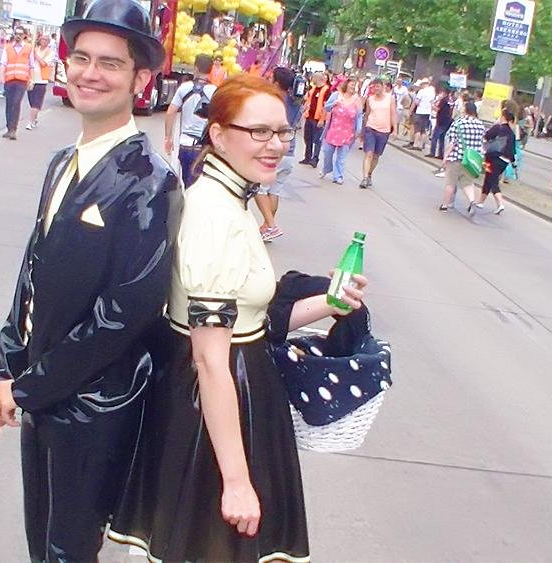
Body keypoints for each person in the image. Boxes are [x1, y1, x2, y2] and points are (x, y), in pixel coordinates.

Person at [107, 73, 368, 563]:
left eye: (283, 132)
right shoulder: (214, 215)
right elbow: (210, 359)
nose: (276, 145)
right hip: (212, 409)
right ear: (219, 134)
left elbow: (251, 323)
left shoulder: (232, 200)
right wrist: (237, 480)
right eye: (259, 131)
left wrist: (330, 303)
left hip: (234, 394)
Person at [0, 0, 179, 559]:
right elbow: (32, 274)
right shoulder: (62, 161)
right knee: (41, 545)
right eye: (81, 58)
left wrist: (25, 389)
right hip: (43, 391)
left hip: (94, 404)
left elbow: (125, 313)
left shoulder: (149, 180)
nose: (90, 73)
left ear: (140, 79)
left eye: (110, 63)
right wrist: (6, 367)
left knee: (67, 552)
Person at [255, 66, 302, 242]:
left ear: (276, 83)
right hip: (289, 151)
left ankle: (271, 225)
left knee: (258, 188)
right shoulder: (296, 102)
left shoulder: (274, 102)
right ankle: (267, 227)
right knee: (274, 191)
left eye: (271, 79)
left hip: (275, 151)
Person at [164, 54, 217, 187]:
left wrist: (168, 138)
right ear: (211, 70)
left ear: (196, 68)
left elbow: (170, 112)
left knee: (187, 184)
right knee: (198, 187)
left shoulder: (184, 88)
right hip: (203, 148)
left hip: (185, 145)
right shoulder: (215, 92)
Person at [439, 101, 486, 212]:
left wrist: (445, 157)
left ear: (465, 110)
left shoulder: (459, 123)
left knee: (450, 183)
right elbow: (483, 142)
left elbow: (452, 142)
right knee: (468, 183)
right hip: (471, 160)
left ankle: (445, 205)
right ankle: (472, 201)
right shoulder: (480, 125)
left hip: (457, 157)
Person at [470, 108, 517, 216]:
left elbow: (486, 136)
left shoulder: (498, 128)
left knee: (492, 180)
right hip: (504, 161)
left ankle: (500, 204)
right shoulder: (511, 133)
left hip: (493, 158)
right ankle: (480, 202)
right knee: (489, 178)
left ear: (503, 117)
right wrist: (513, 162)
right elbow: (513, 150)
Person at [318, 77, 362, 185]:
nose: (353, 87)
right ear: (346, 85)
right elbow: (326, 107)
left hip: (347, 132)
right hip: (333, 129)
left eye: (355, 85)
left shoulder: (357, 100)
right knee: (327, 152)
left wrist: (358, 129)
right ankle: (326, 168)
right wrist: (334, 104)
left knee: (341, 157)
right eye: (352, 85)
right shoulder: (336, 95)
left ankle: (338, 176)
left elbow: (359, 116)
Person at [359, 77, 396, 189]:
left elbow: (393, 114)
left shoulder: (390, 98)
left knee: (376, 155)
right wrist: (363, 130)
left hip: (384, 131)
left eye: (378, 86)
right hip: (371, 128)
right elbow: (367, 115)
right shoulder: (370, 99)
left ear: (383, 87)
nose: (376, 89)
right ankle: (365, 178)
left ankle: (369, 173)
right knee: (369, 153)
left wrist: (395, 130)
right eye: (374, 87)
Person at [0, 27, 34, 140]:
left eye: (20, 34)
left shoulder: (28, 48)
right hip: (9, 79)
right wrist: (1, 76)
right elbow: (3, 63)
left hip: (21, 80)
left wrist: (31, 80)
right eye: (16, 34)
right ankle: (9, 128)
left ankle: (13, 129)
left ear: (24, 36)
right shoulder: (8, 47)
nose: (18, 36)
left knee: (16, 102)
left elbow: (31, 65)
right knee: (9, 104)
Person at [298, 71, 330, 168]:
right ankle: (307, 157)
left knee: (317, 140)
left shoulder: (326, 90)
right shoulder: (312, 89)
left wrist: (322, 119)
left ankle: (315, 158)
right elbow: (307, 100)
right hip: (309, 116)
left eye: (313, 78)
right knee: (307, 138)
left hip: (318, 118)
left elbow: (326, 106)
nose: (312, 80)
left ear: (317, 79)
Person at [24, 34, 54, 130]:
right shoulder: (35, 49)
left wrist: (35, 55)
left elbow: (43, 63)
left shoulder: (50, 52)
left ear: (48, 42)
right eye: (42, 39)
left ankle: (30, 122)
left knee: (36, 103)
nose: (43, 41)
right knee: (32, 102)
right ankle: (35, 119)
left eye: (46, 40)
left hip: (41, 81)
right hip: (31, 79)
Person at [405, 79, 435, 150]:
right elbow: (432, 102)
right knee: (423, 130)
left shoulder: (421, 91)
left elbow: (416, 102)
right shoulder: (432, 92)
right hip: (427, 113)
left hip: (420, 112)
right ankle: (421, 145)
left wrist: (410, 111)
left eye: (421, 84)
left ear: (424, 84)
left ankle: (415, 144)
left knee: (417, 129)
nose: (420, 86)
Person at [428, 85, 453, 160]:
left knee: (434, 137)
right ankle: (441, 154)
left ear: (444, 93)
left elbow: (437, 109)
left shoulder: (443, 100)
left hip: (441, 121)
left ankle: (432, 153)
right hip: (447, 121)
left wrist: (432, 104)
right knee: (442, 138)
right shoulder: (450, 101)